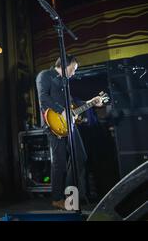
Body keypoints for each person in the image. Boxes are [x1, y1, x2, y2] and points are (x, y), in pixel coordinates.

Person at [35, 55, 103, 210]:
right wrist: (61, 110)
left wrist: (91, 102)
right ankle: (56, 198)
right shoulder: (45, 75)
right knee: (59, 162)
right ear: (67, 64)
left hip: (69, 125)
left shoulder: (64, 82)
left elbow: (72, 104)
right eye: (73, 69)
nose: (73, 73)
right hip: (53, 124)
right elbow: (43, 98)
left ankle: (68, 192)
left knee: (80, 156)